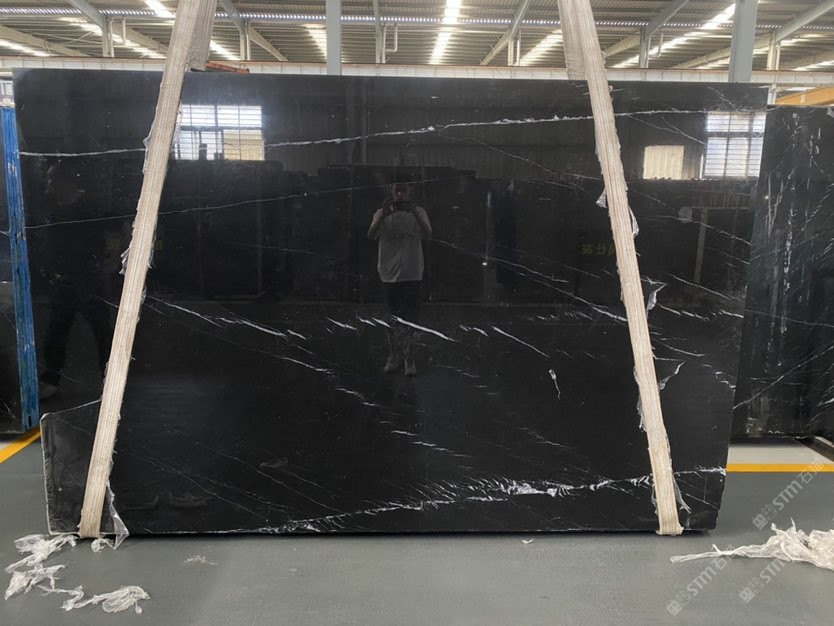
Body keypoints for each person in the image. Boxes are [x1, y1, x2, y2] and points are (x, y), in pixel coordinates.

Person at [367, 179, 432, 376]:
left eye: (403, 190)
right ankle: (393, 355)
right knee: (391, 318)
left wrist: (414, 213)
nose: (400, 194)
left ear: (409, 191)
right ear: (391, 190)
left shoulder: (419, 212)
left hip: (412, 272)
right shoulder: (381, 212)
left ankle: (409, 359)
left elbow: (428, 235)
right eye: (397, 190)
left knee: (410, 318)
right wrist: (383, 215)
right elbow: (370, 235)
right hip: (388, 274)